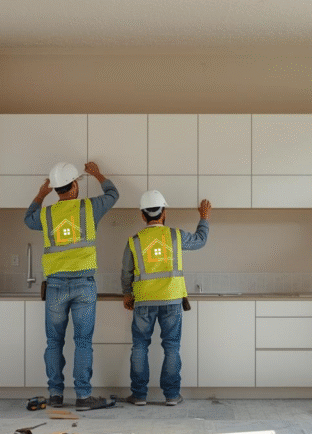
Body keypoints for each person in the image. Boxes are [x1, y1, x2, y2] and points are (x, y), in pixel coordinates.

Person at [24, 161, 118, 411]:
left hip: (55, 286)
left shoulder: (45, 215)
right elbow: (113, 194)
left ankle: (55, 395)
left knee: (53, 342)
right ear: (75, 186)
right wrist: (98, 174)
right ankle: (83, 397)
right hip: (83, 286)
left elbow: (27, 219)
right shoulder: (90, 208)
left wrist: (40, 195)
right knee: (83, 342)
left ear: (55, 189)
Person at [120, 191, 211, 406]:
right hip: (171, 300)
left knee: (140, 346)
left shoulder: (134, 241)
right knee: (171, 347)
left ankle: (139, 395)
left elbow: (126, 272)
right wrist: (204, 218)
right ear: (164, 213)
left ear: (143, 216)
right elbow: (200, 240)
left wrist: (126, 293)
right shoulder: (175, 236)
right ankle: (171, 395)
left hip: (143, 301)